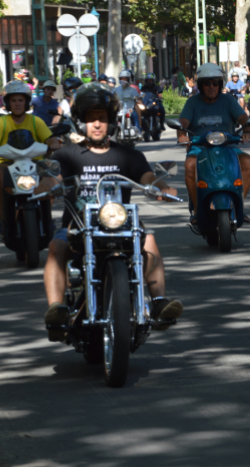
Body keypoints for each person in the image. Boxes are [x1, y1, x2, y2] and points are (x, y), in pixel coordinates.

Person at [39, 83, 183, 336]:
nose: (97, 124)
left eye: (102, 119)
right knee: (56, 246)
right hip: (78, 226)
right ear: (81, 122)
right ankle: (57, 309)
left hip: (120, 226)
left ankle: (159, 302)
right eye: (91, 119)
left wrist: (163, 188)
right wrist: (47, 187)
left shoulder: (128, 155)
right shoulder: (67, 155)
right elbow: (54, 178)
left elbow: (148, 177)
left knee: (148, 239)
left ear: (111, 122)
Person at [176, 63, 250, 224]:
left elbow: (243, 119)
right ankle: (198, 210)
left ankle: (238, 206)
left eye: (215, 83)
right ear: (200, 85)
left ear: (220, 85)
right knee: (190, 164)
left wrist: (247, 131)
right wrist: (182, 135)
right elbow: (182, 123)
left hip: (228, 147)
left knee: (249, 162)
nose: (211, 87)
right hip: (200, 148)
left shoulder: (228, 100)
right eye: (207, 83)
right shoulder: (193, 102)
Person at [0, 80, 62, 232]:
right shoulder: (2, 122)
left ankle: (47, 216)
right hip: (8, 163)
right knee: (0, 172)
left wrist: (54, 144)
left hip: (35, 162)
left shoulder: (36, 121)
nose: (17, 104)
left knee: (52, 174)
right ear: (8, 103)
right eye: (13, 100)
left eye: (20, 100)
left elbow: (50, 139)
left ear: (26, 102)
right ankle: (3, 214)